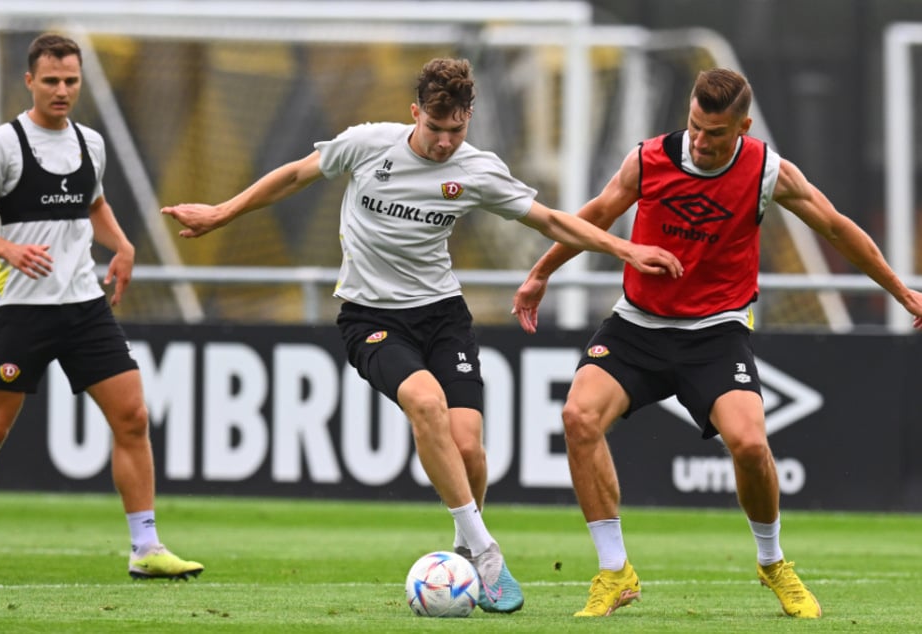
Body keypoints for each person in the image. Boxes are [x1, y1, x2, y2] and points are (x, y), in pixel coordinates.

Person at [161, 57, 682, 612]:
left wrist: (625, 248)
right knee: (425, 403)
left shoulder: (478, 171)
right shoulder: (367, 144)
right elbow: (293, 175)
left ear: (469, 120)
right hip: (371, 318)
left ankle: (460, 554)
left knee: (469, 451)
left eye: (456, 131)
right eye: (434, 129)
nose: (443, 143)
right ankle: (484, 553)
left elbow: (552, 220)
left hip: (442, 317)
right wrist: (222, 211)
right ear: (415, 114)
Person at [512, 67, 922, 619]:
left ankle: (772, 562)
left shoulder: (766, 171)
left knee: (751, 445)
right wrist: (541, 274)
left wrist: (901, 291)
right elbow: (595, 216)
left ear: (744, 127)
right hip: (637, 326)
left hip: (715, 333)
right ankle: (615, 572)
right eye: (695, 127)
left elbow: (835, 227)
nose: (701, 143)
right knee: (578, 417)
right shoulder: (648, 160)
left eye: (716, 134)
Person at [0, 33, 204, 581]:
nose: (62, 90)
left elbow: (93, 202)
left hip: (83, 306)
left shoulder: (89, 143)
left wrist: (121, 245)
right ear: (29, 81)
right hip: (19, 308)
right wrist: (8, 249)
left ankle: (146, 548)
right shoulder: (1, 146)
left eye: (70, 80)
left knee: (132, 415)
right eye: (50, 80)